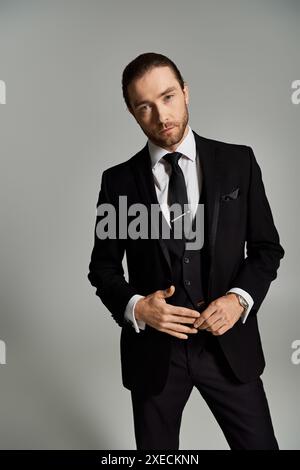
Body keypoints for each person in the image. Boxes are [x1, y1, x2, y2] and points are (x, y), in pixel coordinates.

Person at [87, 52, 284, 450]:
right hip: (155, 355)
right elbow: (102, 268)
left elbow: (266, 249)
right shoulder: (118, 182)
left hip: (227, 346)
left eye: (169, 97)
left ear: (186, 93)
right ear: (132, 112)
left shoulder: (238, 162)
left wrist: (237, 300)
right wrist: (137, 307)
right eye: (145, 106)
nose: (162, 116)